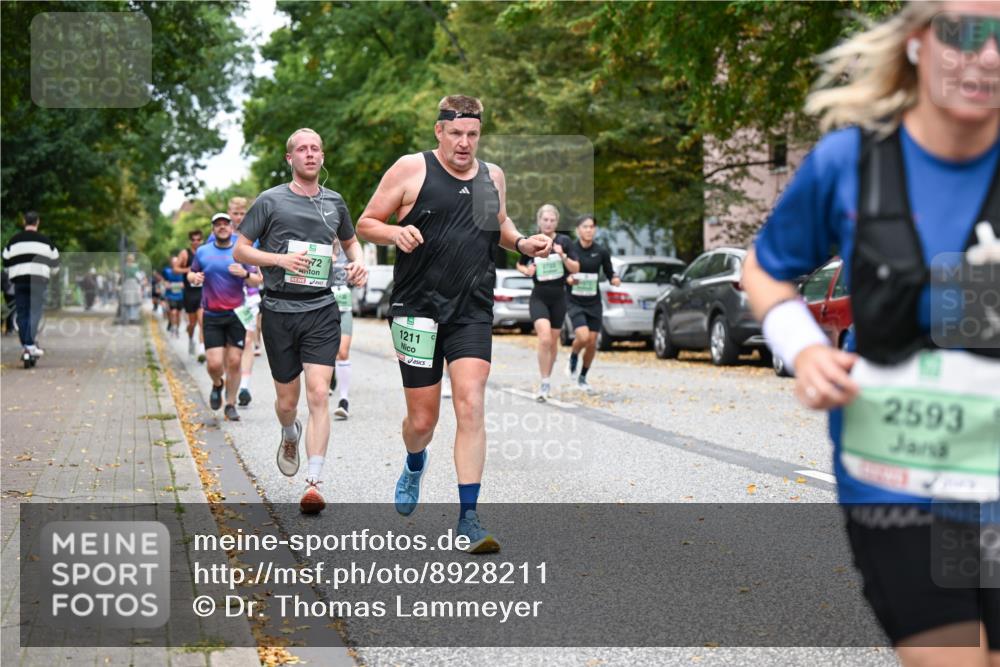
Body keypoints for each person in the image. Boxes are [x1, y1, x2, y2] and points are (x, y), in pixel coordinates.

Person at [742, 2, 999, 664]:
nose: (989, 55)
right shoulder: (848, 163)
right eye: (966, 33)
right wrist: (803, 347)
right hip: (897, 482)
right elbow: (766, 270)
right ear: (918, 43)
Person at [356, 95, 553, 553]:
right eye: (457, 133)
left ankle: (468, 517)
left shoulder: (492, 176)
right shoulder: (411, 169)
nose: (465, 143)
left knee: (470, 403)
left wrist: (523, 243)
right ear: (439, 131)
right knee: (423, 419)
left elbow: (498, 224)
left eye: (473, 134)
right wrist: (393, 232)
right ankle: (414, 460)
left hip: (471, 307)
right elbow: (366, 221)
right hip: (416, 307)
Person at [235, 128, 368, 514]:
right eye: (302, 150)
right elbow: (243, 250)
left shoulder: (335, 202)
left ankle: (314, 481)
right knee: (287, 402)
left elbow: (350, 242)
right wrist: (279, 260)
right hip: (278, 310)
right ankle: (289, 432)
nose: (310, 155)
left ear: (322, 158)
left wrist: (357, 261)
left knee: (317, 393)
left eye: (315, 149)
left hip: (321, 308)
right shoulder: (270, 200)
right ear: (289, 158)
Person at [188, 213, 262, 422]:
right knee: (214, 364)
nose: (222, 227)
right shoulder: (202, 252)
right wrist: (194, 277)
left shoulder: (241, 251)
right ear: (213, 229)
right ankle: (217, 384)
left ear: (231, 228)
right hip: (212, 314)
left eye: (225, 224)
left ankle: (230, 404)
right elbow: (191, 274)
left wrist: (245, 274)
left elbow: (257, 281)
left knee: (234, 361)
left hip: (236, 314)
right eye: (217, 225)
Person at [516, 203, 579, 401]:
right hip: (539, 296)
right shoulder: (532, 240)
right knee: (544, 338)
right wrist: (528, 271)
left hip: (559, 297)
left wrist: (562, 255)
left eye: (552, 220)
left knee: (553, 341)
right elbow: (520, 264)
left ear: (557, 222)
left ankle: (547, 380)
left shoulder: (565, 241)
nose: (549, 223)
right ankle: (544, 383)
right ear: (539, 221)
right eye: (545, 220)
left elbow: (575, 268)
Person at [564, 215, 619, 393]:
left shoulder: (601, 251)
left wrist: (615, 279)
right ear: (578, 229)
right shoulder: (571, 249)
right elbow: (563, 274)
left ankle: (583, 377)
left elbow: (610, 272)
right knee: (583, 337)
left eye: (592, 227)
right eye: (585, 226)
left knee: (592, 342)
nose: (589, 230)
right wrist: (569, 279)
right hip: (575, 301)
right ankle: (573, 357)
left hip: (593, 302)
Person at [2, 211, 59, 359]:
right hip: (38, 282)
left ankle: (26, 345)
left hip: (19, 282)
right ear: (37, 222)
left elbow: (6, 262)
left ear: (24, 222)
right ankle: (30, 344)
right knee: (35, 312)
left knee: (22, 313)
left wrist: (16, 270)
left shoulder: (13, 241)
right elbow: (56, 265)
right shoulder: (46, 242)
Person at [173, 229, 206, 359]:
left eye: (198, 239)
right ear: (190, 241)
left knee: (202, 321)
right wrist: (189, 269)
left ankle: (202, 349)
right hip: (189, 292)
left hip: (203, 291)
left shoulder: (205, 252)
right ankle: (191, 338)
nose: (196, 242)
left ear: (202, 240)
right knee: (192, 324)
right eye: (193, 240)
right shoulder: (185, 253)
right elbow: (175, 268)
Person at [330, 250, 354, 419]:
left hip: (344, 306)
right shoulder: (318, 242)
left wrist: (355, 274)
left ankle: (343, 400)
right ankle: (330, 377)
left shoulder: (348, 250)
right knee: (327, 353)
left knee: (343, 352)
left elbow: (358, 275)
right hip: (323, 307)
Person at [162, 254, 185, 336]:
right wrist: (178, 285)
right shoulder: (167, 271)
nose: (175, 263)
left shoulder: (182, 272)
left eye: (176, 262)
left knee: (178, 314)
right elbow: (166, 285)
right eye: (173, 262)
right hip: (170, 296)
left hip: (180, 296)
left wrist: (172, 285)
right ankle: (173, 327)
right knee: (173, 312)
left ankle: (177, 328)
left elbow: (184, 285)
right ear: (171, 263)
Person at [120, 254, 144, 324]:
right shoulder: (135, 267)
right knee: (134, 302)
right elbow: (138, 276)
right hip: (134, 284)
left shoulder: (124, 267)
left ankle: (127, 317)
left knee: (127, 302)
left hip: (127, 284)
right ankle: (133, 317)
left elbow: (122, 277)